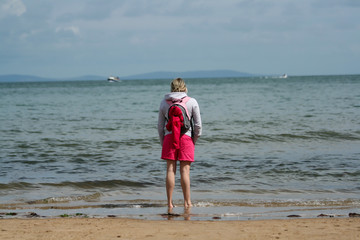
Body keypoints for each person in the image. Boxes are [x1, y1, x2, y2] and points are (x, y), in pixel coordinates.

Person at [158, 78, 202, 210]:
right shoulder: (192, 101)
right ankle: (187, 203)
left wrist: (163, 142)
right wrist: (193, 140)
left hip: (169, 138)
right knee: (185, 171)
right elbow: (198, 126)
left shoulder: (164, 103)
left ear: (172, 88)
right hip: (186, 138)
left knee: (170, 170)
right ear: (185, 87)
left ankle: (170, 203)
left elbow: (160, 126)